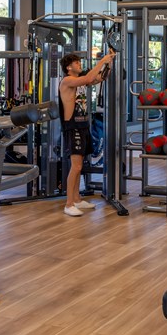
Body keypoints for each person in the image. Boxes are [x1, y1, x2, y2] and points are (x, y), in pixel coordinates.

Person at [58, 49, 116, 216]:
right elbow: (90, 77)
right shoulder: (68, 81)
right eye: (76, 63)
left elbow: (100, 78)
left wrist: (109, 64)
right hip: (73, 127)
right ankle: (69, 204)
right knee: (75, 166)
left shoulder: (79, 82)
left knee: (80, 165)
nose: (79, 64)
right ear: (69, 67)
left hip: (83, 126)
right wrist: (102, 60)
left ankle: (77, 199)